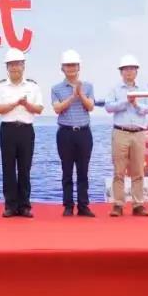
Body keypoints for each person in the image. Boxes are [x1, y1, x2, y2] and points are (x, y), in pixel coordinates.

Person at [0, 48, 44, 218]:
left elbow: (39, 109)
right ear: (7, 67)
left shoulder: (32, 87)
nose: (15, 68)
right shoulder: (1, 87)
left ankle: (24, 206)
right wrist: (15, 103)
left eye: (18, 64)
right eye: (11, 65)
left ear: (23, 66)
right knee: (8, 169)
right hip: (8, 130)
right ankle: (10, 206)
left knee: (25, 169)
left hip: (26, 130)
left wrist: (26, 104)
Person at [104, 54, 148, 217]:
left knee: (138, 171)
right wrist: (125, 102)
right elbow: (108, 107)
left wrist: (136, 104)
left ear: (136, 71)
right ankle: (118, 205)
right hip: (120, 132)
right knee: (118, 171)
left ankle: (138, 204)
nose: (129, 72)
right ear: (121, 72)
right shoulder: (114, 89)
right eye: (126, 69)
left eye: (132, 69)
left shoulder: (144, 89)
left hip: (139, 133)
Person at [51, 49, 96, 217]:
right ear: (62, 68)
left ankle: (83, 205)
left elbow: (90, 106)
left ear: (79, 67)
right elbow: (57, 108)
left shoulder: (88, 86)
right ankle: (68, 206)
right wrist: (72, 97)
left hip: (84, 132)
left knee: (83, 171)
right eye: (67, 65)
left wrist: (81, 94)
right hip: (65, 133)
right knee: (67, 170)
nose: (71, 68)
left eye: (73, 65)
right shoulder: (56, 88)